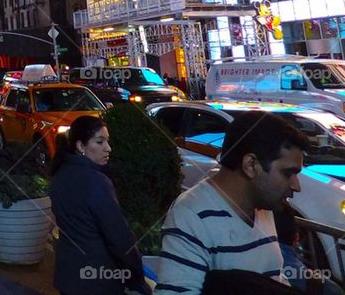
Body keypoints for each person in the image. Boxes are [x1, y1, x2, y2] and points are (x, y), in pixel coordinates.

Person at [155, 112, 306, 294]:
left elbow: (274, 277)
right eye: (288, 173)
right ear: (251, 165)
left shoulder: (263, 206)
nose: (296, 186)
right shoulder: (191, 216)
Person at [50, 116, 149, 295]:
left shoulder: (59, 175)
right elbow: (118, 237)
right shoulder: (96, 182)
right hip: (97, 280)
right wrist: (136, 278)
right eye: (100, 141)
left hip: (68, 275)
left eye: (107, 142)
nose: (108, 148)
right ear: (81, 146)